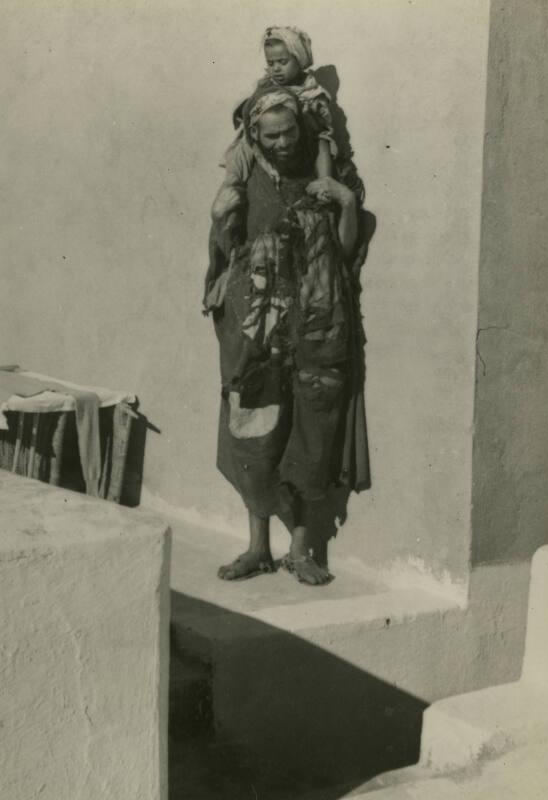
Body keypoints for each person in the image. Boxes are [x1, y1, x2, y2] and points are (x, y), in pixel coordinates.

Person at [203, 86, 371, 586]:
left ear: (302, 127)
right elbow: (227, 248)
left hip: (317, 320)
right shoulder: (245, 177)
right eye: (271, 135)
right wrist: (221, 226)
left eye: (289, 132)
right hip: (259, 326)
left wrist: (345, 202)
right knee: (254, 428)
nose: (282, 143)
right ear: (254, 135)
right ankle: (257, 548)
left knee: (311, 430)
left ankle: (300, 551)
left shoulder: (325, 175)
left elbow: (344, 250)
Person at [211, 26, 337, 223]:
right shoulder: (265, 84)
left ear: (299, 59)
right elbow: (251, 107)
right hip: (267, 136)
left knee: (322, 141)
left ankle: (324, 182)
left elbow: (321, 127)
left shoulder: (311, 91)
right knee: (243, 146)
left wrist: (308, 113)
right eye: (271, 63)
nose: (276, 68)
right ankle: (231, 184)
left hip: (302, 137)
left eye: (283, 62)